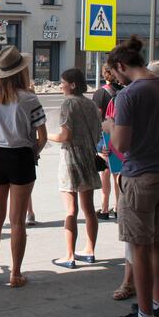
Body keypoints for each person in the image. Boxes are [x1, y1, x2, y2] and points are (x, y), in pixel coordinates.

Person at [106, 36, 159, 317]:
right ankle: (158, 303)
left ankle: (144, 316)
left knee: (138, 247)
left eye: (114, 73)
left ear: (122, 66)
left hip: (140, 177)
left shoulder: (129, 96)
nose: (115, 78)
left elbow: (122, 144)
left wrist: (110, 127)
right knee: (158, 241)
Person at [0, 46, 47, 288]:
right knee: (17, 221)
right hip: (22, 159)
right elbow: (42, 137)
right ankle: (16, 274)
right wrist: (33, 153)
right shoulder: (30, 98)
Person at [47, 68, 101, 268]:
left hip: (71, 158)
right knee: (89, 209)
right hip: (89, 157)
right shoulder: (91, 104)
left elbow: (64, 136)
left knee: (70, 209)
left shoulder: (68, 104)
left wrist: (45, 136)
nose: (60, 85)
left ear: (73, 84)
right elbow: (97, 134)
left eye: (63, 82)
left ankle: (69, 255)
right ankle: (90, 249)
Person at [91, 65, 123, 220]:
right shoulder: (124, 90)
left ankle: (104, 208)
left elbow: (96, 117)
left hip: (104, 135)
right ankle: (118, 206)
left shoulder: (100, 93)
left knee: (105, 171)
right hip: (119, 134)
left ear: (104, 74)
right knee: (118, 171)